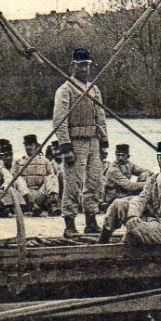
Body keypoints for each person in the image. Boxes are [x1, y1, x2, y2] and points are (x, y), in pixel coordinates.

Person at [53, 47, 109, 236]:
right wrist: (66, 147)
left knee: (95, 182)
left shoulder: (94, 89)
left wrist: (104, 142)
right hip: (75, 143)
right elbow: (59, 120)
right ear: (72, 66)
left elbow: (101, 117)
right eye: (80, 65)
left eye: (87, 65)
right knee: (73, 184)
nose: (84, 69)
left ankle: (91, 221)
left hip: (93, 141)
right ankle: (69, 225)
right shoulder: (65, 90)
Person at [99, 142, 150, 237]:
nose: (120, 158)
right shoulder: (113, 169)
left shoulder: (128, 164)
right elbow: (128, 186)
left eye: (123, 155)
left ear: (127, 156)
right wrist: (148, 184)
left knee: (145, 175)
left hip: (125, 195)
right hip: (113, 198)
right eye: (118, 155)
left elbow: (144, 171)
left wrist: (155, 176)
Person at [13, 134, 60, 215]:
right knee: (18, 179)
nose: (28, 147)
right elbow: (12, 179)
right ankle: (32, 205)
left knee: (52, 177)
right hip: (25, 195)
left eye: (31, 145)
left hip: (40, 194)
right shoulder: (19, 161)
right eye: (26, 145)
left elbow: (52, 179)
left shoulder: (45, 161)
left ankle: (53, 204)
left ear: (36, 146)